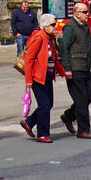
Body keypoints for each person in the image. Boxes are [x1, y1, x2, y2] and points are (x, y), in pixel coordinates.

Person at [21, 13, 67, 142]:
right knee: (44, 105)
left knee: (49, 104)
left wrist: (63, 72)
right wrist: (28, 80)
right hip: (38, 77)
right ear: (45, 26)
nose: (55, 27)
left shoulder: (50, 38)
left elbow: (53, 58)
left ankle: (29, 123)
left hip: (48, 76)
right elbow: (29, 59)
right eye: (53, 24)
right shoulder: (39, 37)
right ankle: (42, 133)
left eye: (55, 24)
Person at [59, 1, 91, 138]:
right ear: (76, 13)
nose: (87, 14)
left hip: (85, 66)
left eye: (87, 12)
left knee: (89, 96)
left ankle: (69, 116)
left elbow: (90, 47)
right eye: (85, 12)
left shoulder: (85, 26)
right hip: (75, 68)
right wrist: (67, 68)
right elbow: (64, 48)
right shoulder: (70, 27)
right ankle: (83, 130)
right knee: (81, 100)